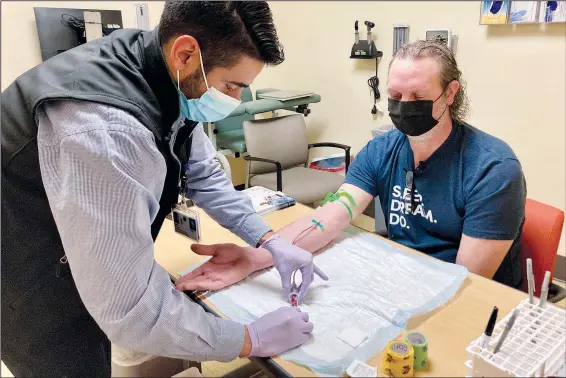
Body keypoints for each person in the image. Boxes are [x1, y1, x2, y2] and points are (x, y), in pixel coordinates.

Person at [1, 2, 327, 376]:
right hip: (29, 279)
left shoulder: (162, 70)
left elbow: (203, 173)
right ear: (186, 53)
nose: (236, 102)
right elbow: (129, 311)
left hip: (72, 252)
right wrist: (248, 339)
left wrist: (268, 239)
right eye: (232, 86)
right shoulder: (104, 132)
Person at [176, 40, 527, 294]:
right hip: (404, 271)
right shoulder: (382, 150)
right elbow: (328, 219)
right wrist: (256, 257)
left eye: (417, 98)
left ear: (450, 93)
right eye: (395, 97)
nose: (404, 107)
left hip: (473, 303)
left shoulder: (492, 169)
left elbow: (463, 281)